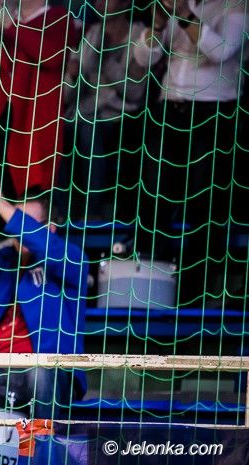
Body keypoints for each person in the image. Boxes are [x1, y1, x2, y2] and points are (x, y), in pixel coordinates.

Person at [0, 163, 88, 420]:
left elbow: (47, 247)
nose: (20, 230)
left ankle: (42, 442)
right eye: (14, 221)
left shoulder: (70, 258)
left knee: (41, 372)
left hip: (45, 371)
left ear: (50, 229)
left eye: (27, 223)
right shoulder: (1, 260)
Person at [132, 0, 247, 307]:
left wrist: (183, 14)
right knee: (154, 197)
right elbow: (143, 58)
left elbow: (221, 51)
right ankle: (151, 290)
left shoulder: (235, 6)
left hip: (213, 113)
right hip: (170, 107)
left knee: (204, 205)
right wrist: (158, 24)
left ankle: (195, 296)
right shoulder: (179, 5)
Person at [0, 0, 79, 197]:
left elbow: (52, 56)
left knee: (23, 193)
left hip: (30, 126)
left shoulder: (58, 17)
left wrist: (11, 25)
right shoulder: (3, 20)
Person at [63, 0, 147, 222]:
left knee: (88, 129)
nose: (101, 2)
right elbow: (67, 95)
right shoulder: (89, 34)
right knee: (57, 128)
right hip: (82, 113)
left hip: (121, 117)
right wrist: (72, 76)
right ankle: (60, 210)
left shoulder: (140, 35)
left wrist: (107, 62)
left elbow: (135, 92)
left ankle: (93, 211)